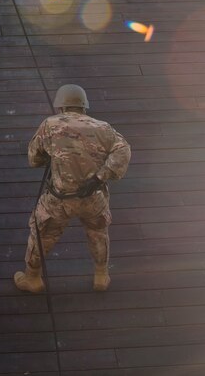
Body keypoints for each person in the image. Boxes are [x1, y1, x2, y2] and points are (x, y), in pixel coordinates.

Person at [14, 84, 131, 294]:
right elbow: (123, 150)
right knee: (98, 233)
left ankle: (32, 278)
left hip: (59, 198)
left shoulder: (50, 125)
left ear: (60, 106)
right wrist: (100, 176)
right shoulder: (103, 127)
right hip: (93, 197)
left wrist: (51, 157)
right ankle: (101, 276)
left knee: (43, 234)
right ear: (84, 106)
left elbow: (34, 158)